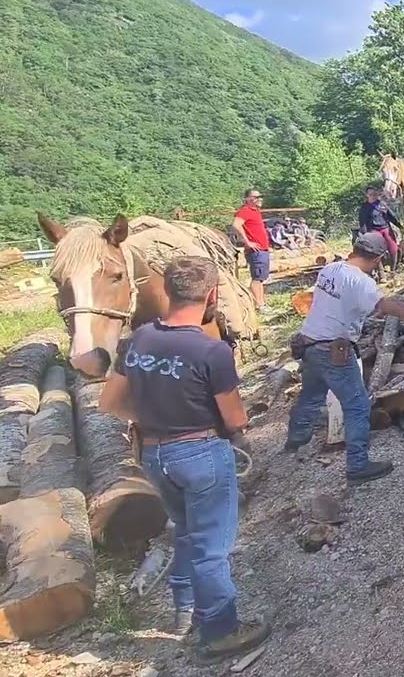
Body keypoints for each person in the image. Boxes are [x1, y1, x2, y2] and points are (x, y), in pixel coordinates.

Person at [98, 256, 271, 663]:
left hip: (156, 454)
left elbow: (110, 402)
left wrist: (154, 418)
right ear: (211, 296)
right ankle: (220, 632)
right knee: (212, 547)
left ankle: (185, 608)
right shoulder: (212, 350)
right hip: (202, 454)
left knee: (185, 532)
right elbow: (235, 418)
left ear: (168, 293)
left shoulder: (137, 340)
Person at [283, 232, 404, 482]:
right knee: (357, 405)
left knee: (311, 394)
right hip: (333, 348)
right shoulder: (362, 283)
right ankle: (357, 465)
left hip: (309, 343)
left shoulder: (331, 268)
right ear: (380, 257)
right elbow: (385, 307)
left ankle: (295, 440)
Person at [231, 189, 270, 314]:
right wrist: (247, 242)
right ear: (247, 199)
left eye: (260, 197)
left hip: (262, 249)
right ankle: (260, 305)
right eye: (255, 197)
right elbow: (236, 224)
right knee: (257, 278)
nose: (259, 199)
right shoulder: (245, 211)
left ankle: (257, 302)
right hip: (256, 250)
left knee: (261, 277)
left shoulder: (255, 212)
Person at [357, 185, 403, 269]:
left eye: (374, 194)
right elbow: (362, 222)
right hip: (373, 230)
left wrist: (399, 225)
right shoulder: (364, 207)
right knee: (376, 251)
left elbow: (390, 216)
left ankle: (394, 268)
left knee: (393, 248)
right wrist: (365, 234)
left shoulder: (381, 204)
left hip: (385, 227)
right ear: (367, 195)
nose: (373, 196)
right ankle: (381, 272)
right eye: (371, 194)